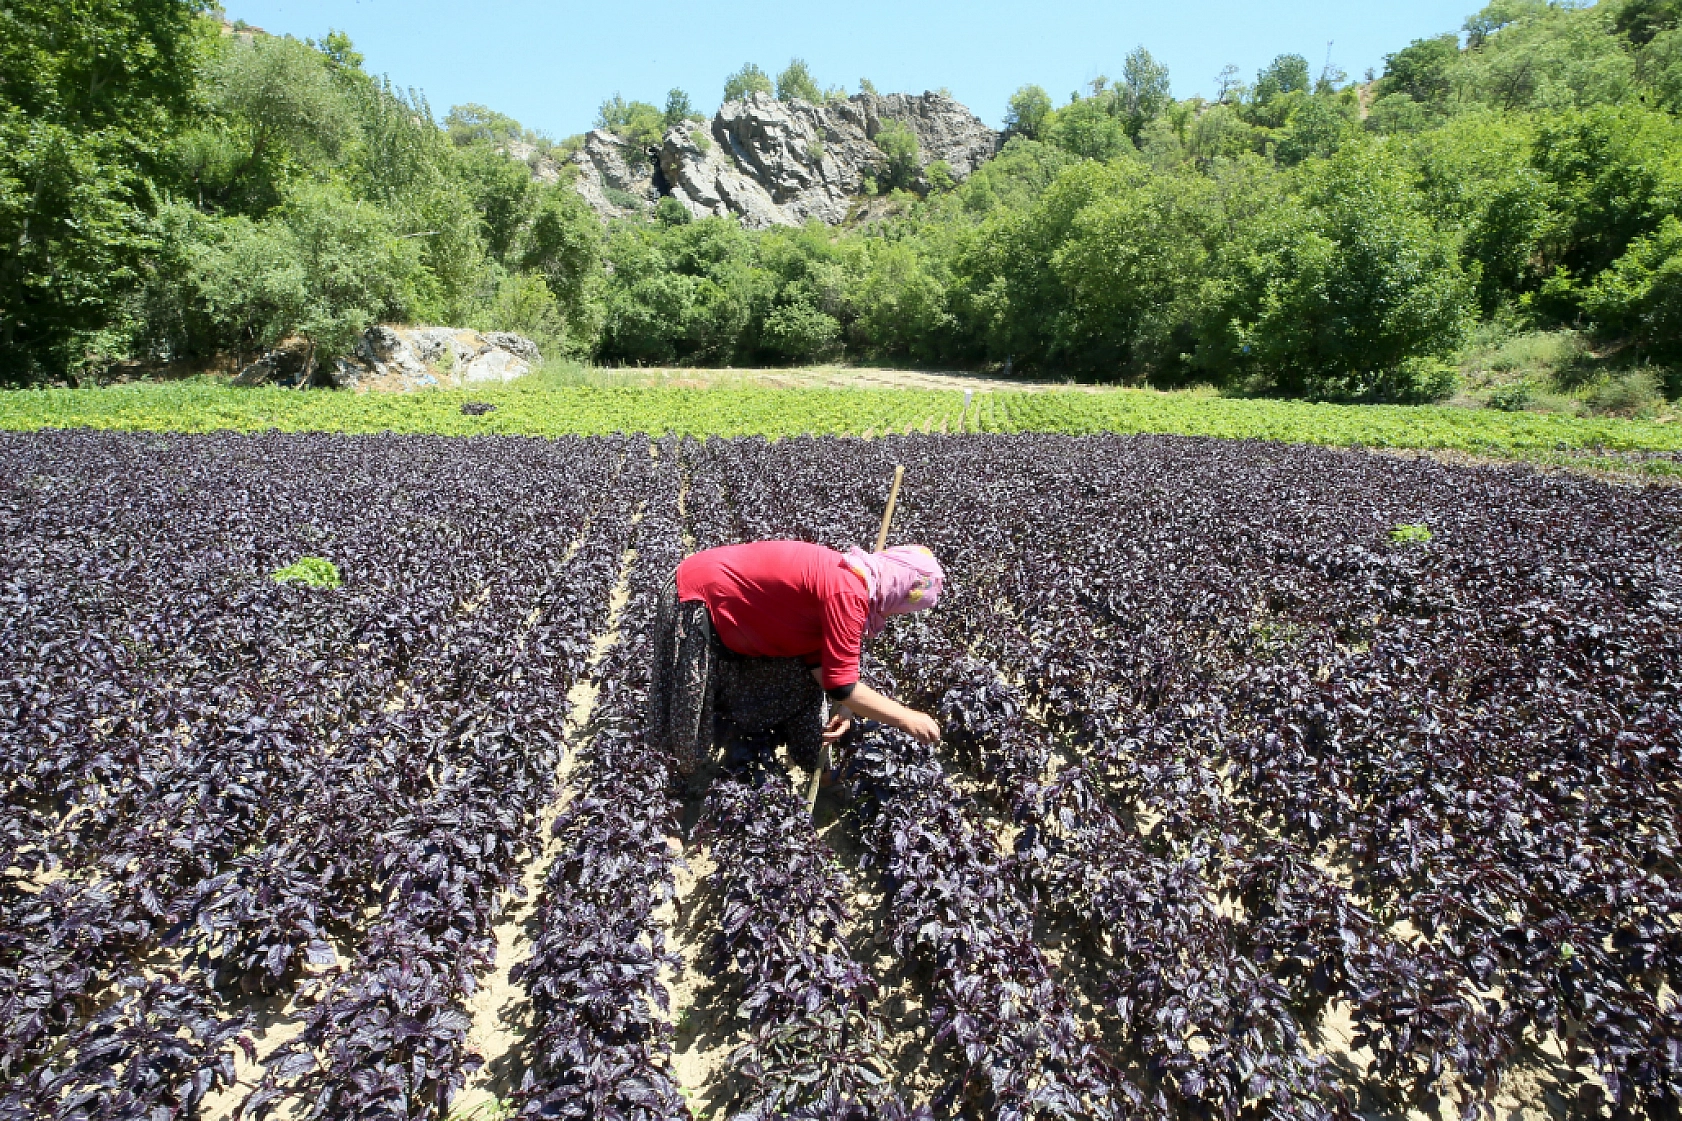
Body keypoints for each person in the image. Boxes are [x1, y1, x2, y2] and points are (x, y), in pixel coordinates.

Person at [648, 540, 944, 782]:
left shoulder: (854, 581)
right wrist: (906, 718)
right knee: (690, 704)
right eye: (905, 608)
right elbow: (841, 685)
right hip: (698, 597)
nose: (897, 615)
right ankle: (673, 782)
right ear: (898, 592)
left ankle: (813, 765)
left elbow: (821, 667)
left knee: (799, 686)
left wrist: (849, 706)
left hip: (733, 605)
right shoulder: (848, 593)